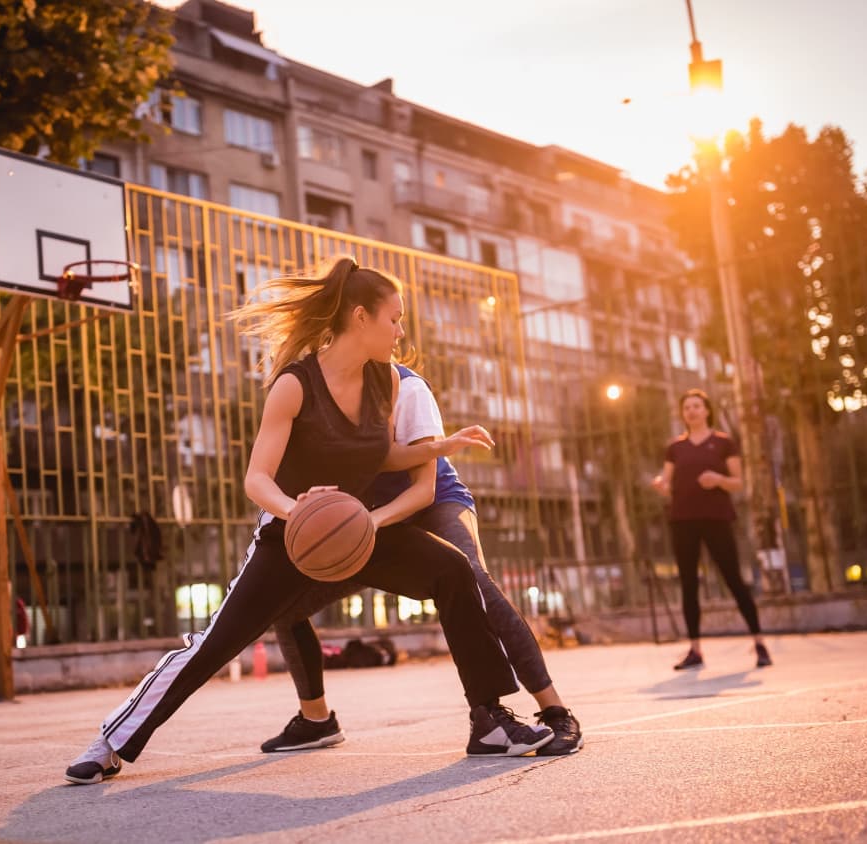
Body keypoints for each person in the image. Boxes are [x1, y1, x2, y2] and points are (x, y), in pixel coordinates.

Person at [63, 257, 552, 784]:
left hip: (354, 530)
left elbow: (378, 455)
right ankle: (113, 739)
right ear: (360, 318)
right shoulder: (296, 384)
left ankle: (489, 720)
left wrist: (440, 446)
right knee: (214, 644)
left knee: (452, 570)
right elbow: (257, 479)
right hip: (290, 538)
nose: (401, 331)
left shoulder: (385, 382)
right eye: (395, 318)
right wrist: (299, 511)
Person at [261, 364, 583, 756]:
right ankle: (316, 720)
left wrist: (367, 523)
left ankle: (553, 711)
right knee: (282, 604)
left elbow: (424, 489)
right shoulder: (313, 394)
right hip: (362, 518)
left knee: (472, 579)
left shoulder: (407, 387)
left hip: (429, 503)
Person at [650, 389, 771, 670]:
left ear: (707, 411)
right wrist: (660, 485)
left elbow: (738, 482)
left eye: (696, 406)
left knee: (733, 580)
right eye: (687, 407)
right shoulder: (675, 448)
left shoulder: (724, 443)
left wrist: (718, 479)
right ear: (683, 413)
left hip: (717, 519)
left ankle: (760, 642)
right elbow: (666, 484)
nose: (691, 411)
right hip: (683, 520)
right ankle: (695, 650)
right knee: (689, 585)